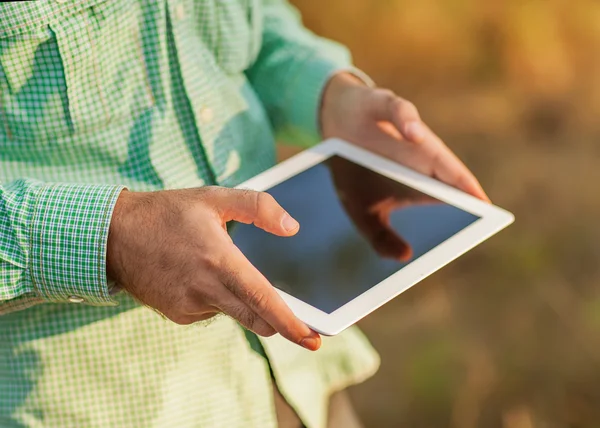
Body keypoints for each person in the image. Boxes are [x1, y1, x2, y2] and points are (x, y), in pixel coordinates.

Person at [0, 1, 489, 427]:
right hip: (106, 402)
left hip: (298, 379)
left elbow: (254, 25)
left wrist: (328, 96)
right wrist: (114, 237)